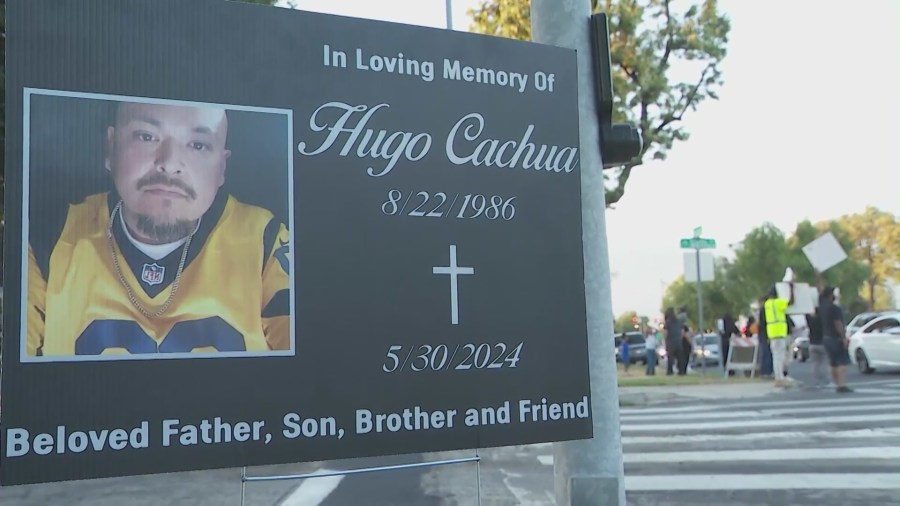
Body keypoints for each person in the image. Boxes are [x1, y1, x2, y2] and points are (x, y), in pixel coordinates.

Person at [27, 101, 292, 357]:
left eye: (198, 145)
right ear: (111, 147)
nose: (170, 163)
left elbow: (311, 367)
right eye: (146, 136)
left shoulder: (264, 241)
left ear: (221, 167)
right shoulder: (48, 238)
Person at [820, 286, 853, 393]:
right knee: (842, 362)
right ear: (831, 295)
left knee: (833, 362)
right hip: (835, 338)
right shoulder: (835, 308)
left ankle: (836, 383)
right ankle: (841, 384)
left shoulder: (821, 308)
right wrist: (843, 337)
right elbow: (838, 323)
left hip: (826, 337)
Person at [764, 283, 794, 387]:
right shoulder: (778, 302)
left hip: (772, 333)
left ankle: (778, 376)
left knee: (776, 356)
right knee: (780, 357)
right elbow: (791, 302)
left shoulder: (767, 304)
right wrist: (791, 289)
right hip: (780, 332)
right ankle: (779, 378)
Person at [664, 307, 682, 376]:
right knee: (680, 357)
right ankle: (681, 371)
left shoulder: (668, 322)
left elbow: (666, 333)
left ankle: (670, 371)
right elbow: (681, 331)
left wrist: (665, 341)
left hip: (670, 341)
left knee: (670, 358)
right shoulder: (678, 321)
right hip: (678, 341)